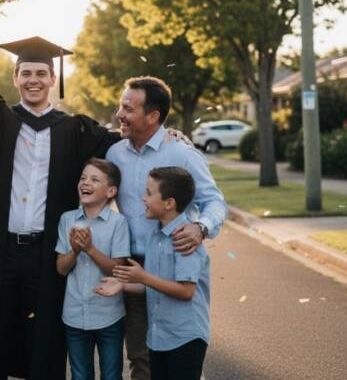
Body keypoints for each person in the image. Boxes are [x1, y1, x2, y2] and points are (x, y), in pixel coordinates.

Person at [0, 2, 123, 379]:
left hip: (47, 253)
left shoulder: (75, 130)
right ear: (15, 76)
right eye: (26, 73)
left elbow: (124, 147)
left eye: (41, 73)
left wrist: (169, 138)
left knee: (46, 343)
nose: (33, 79)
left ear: (53, 79)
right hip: (1, 250)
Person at [105, 76, 226, 380]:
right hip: (135, 266)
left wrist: (201, 227)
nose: (120, 114)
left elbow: (214, 202)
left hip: (174, 264)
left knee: (179, 353)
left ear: (153, 116)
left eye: (128, 108)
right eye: (121, 105)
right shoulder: (115, 153)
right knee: (142, 358)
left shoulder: (182, 154)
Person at [96, 166, 210, 380]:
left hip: (185, 337)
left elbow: (186, 291)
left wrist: (143, 277)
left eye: (149, 193)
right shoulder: (155, 236)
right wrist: (124, 284)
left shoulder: (184, 238)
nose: (143, 198)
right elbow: (155, 283)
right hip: (159, 337)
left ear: (169, 203)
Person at [56, 158, 130, 380]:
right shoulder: (67, 219)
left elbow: (118, 270)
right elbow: (61, 268)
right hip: (74, 314)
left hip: (109, 315)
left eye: (95, 179)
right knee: (80, 375)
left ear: (111, 191)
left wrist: (89, 249)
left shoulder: (118, 223)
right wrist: (75, 251)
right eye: (83, 178)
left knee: (111, 375)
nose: (85, 183)